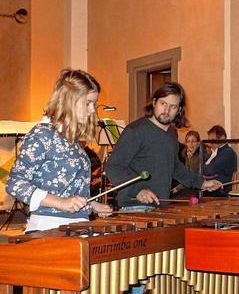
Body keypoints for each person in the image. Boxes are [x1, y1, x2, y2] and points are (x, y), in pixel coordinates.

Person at [6, 69, 112, 232]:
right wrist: (61, 203)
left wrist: (90, 204)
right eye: (88, 103)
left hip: (77, 225)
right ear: (70, 100)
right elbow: (15, 184)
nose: (92, 110)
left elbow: (67, 190)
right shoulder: (42, 135)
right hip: (48, 227)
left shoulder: (72, 139)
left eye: (94, 104)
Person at [106, 82, 222, 209]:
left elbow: (175, 167)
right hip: (135, 206)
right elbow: (113, 167)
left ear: (179, 110)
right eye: (163, 104)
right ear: (154, 102)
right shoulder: (135, 131)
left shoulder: (171, 134)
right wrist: (138, 190)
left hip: (160, 206)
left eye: (173, 106)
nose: (166, 111)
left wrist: (202, 183)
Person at [202, 125, 237, 196]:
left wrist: (202, 170)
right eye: (209, 141)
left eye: (212, 140)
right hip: (209, 188)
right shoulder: (214, 152)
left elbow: (210, 170)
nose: (210, 144)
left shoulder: (227, 152)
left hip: (219, 191)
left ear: (222, 138)